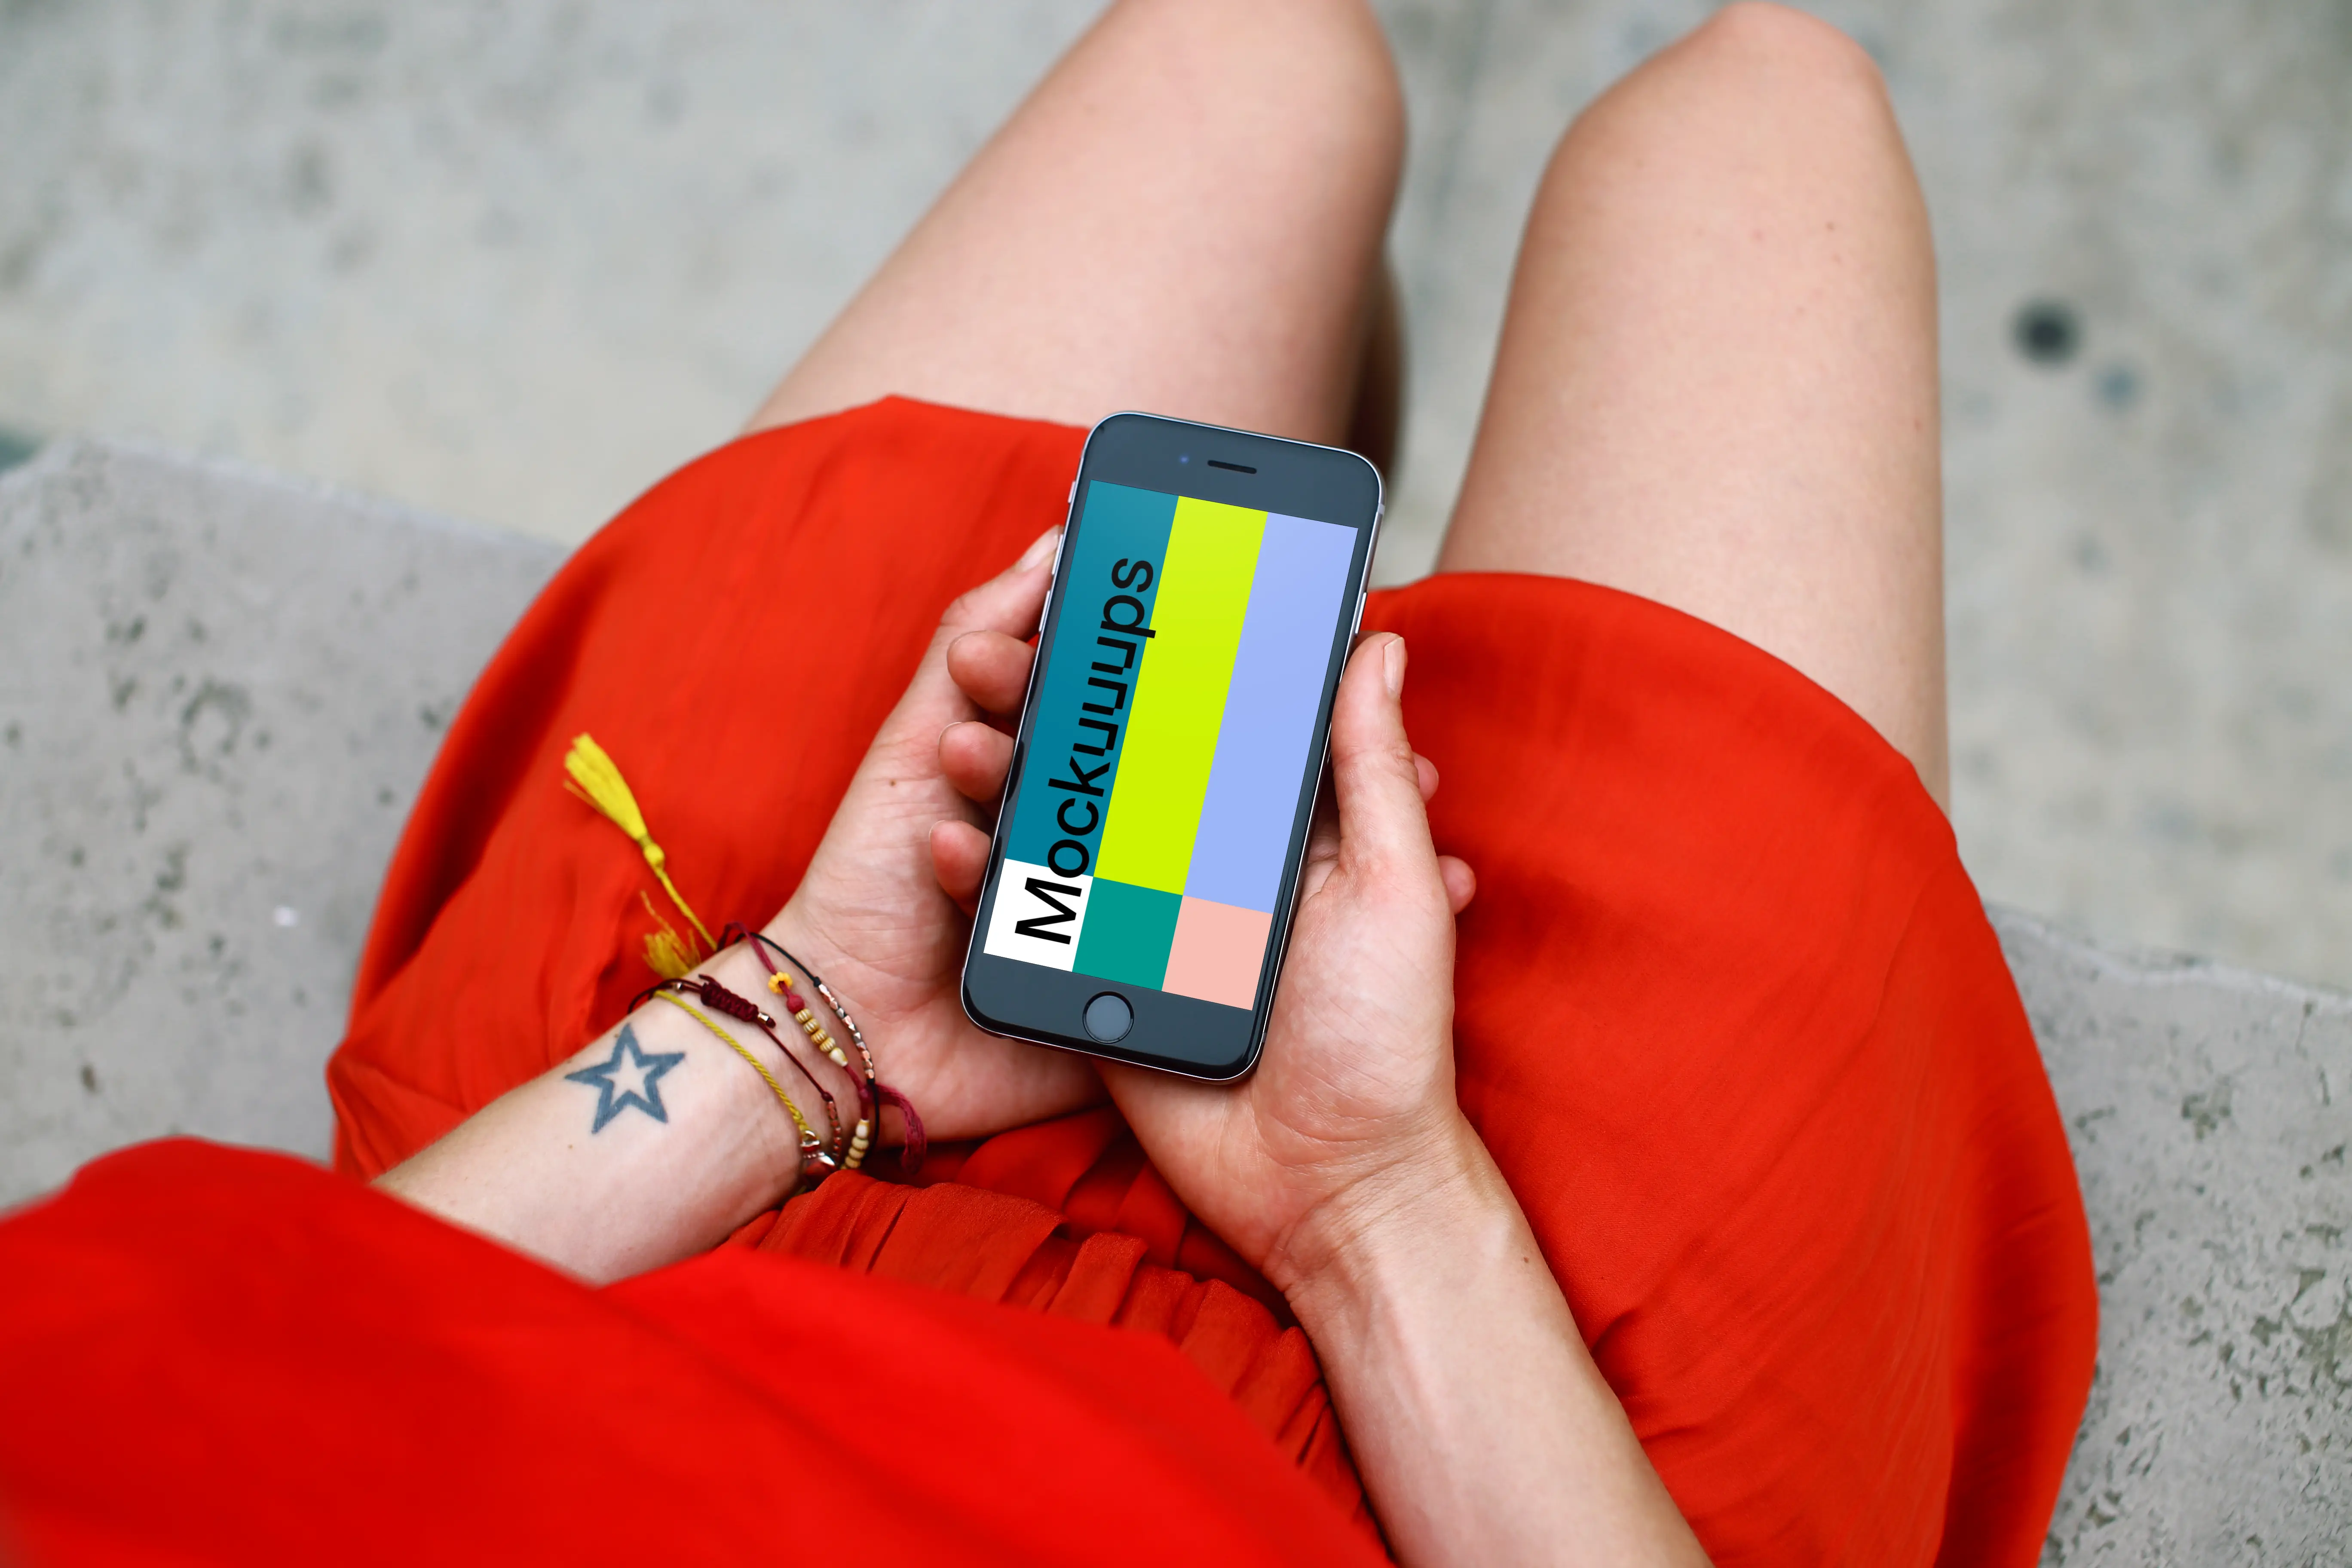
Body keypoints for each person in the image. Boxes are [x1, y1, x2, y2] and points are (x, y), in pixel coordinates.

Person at [0, 3, 2096, 1564]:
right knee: (1756, 109)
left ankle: (1333, 504)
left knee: (1257, 50)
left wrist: (797, 1022)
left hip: (668, 1170)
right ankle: (1340, 529)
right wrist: (1376, 1207)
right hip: (1487, 1424)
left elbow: (278, 1323)